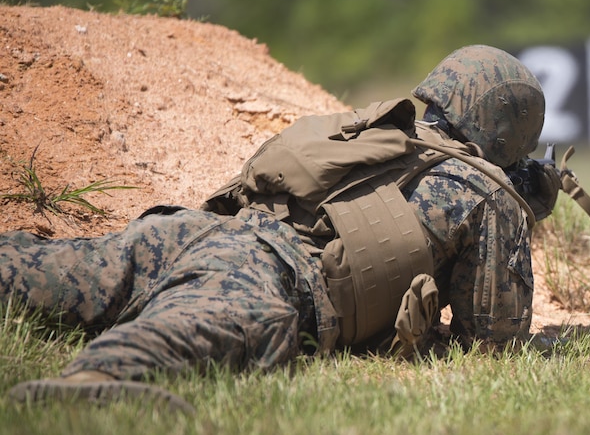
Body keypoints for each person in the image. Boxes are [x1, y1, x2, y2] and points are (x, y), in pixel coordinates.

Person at [3, 45, 558, 414]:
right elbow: (493, 342)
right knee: (207, 325)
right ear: (510, 131)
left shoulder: (386, 133)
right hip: (267, 272)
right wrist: (521, 210)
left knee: (59, 271)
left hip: (198, 232)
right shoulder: (489, 193)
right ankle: (91, 380)